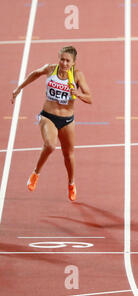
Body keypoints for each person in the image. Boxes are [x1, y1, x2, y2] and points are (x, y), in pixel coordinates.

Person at [11, 46, 92, 201]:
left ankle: (71, 183)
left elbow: (90, 98)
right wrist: (18, 89)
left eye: (68, 60)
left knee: (68, 155)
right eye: (62, 59)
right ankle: (36, 173)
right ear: (58, 58)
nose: (64, 63)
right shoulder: (51, 69)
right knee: (50, 145)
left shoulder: (76, 76)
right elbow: (35, 74)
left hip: (67, 120)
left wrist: (78, 94)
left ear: (73, 62)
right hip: (48, 116)